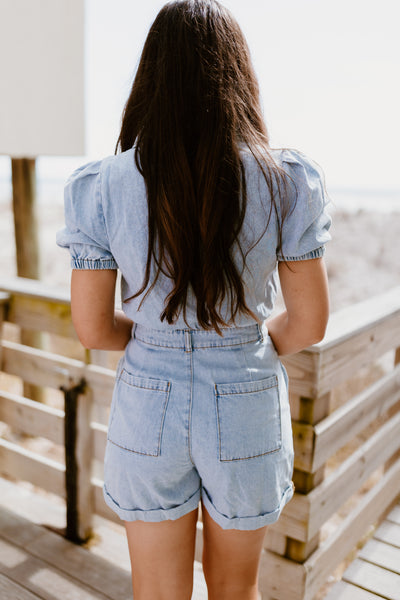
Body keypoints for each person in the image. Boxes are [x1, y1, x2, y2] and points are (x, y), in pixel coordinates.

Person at [56, 1, 331, 598]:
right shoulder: (285, 180)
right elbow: (309, 322)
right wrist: (242, 346)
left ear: (150, 78)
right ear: (239, 74)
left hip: (148, 396)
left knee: (157, 591)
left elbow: (93, 328)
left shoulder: (102, 185)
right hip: (247, 395)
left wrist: (158, 339)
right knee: (236, 589)